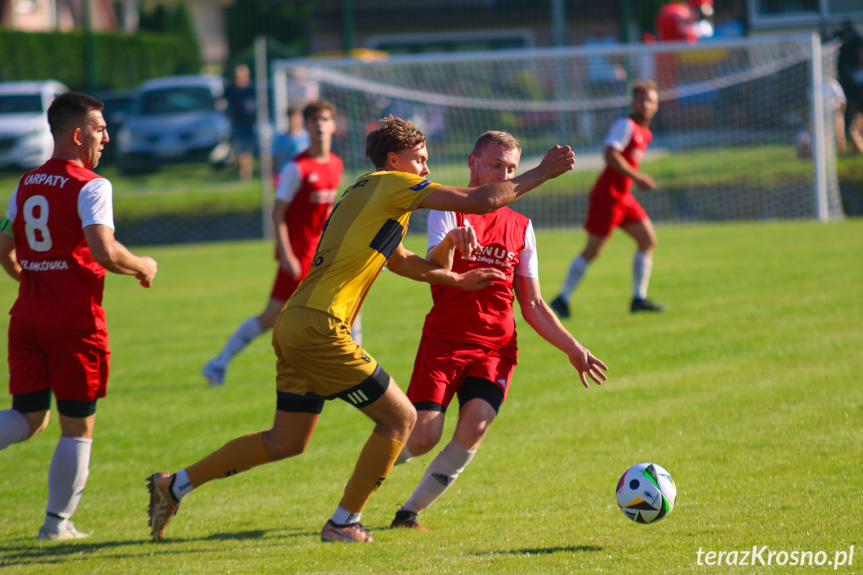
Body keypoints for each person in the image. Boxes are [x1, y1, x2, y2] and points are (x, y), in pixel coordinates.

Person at [146, 115, 576, 544]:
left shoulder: (370, 194)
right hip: (321, 326)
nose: (426, 169)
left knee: (287, 440)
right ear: (394, 160)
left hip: (296, 321)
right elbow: (480, 200)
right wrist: (542, 171)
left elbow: (403, 261)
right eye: (420, 159)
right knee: (402, 418)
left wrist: (457, 279)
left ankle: (174, 485)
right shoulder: (391, 184)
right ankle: (344, 523)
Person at [389, 131, 608, 531]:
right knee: (422, 437)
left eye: (510, 168)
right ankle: (371, 472)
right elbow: (435, 270)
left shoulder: (522, 226)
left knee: (475, 427)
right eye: (495, 165)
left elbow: (534, 305)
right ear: (473, 163)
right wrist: (452, 242)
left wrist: (573, 348)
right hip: (445, 341)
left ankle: (408, 513)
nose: (503, 174)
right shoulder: (448, 208)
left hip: (496, 348)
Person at [0, 92, 158, 541]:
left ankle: (58, 522)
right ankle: (56, 525)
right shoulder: (93, 185)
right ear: (76, 133)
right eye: (99, 128)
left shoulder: (25, 183)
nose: (106, 136)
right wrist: (143, 265)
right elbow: (104, 252)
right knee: (77, 424)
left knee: (30, 418)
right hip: (74, 322)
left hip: (27, 317)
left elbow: (4, 249)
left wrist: (35, 281)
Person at [202, 99, 359, 386]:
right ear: (306, 126)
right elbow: (278, 213)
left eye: (325, 120)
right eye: (315, 120)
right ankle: (218, 363)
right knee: (272, 316)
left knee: (343, 301)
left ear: (334, 125)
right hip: (297, 255)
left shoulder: (336, 164)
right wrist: (286, 255)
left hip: (320, 254)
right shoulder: (296, 168)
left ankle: (348, 364)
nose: (320, 125)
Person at [551, 80, 664, 317]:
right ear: (633, 102)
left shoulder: (646, 133)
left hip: (624, 198)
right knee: (593, 250)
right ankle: (562, 299)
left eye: (650, 101)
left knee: (647, 240)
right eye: (641, 100)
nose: (645, 105)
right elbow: (610, 154)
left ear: (656, 105)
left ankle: (638, 298)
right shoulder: (625, 125)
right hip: (608, 197)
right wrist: (637, 177)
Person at [225, 64, 258, 180]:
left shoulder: (252, 89)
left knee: (249, 149)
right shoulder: (230, 90)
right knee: (242, 149)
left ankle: (247, 173)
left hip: (252, 123)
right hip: (238, 123)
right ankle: (245, 174)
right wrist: (229, 115)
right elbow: (222, 104)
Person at [270, 106, 310, 181]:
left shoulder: (307, 137)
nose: (292, 121)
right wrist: (275, 175)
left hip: (302, 176)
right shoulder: (279, 138)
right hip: (284, 176)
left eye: (295, 117)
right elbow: (275, 158)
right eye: (290, 118)